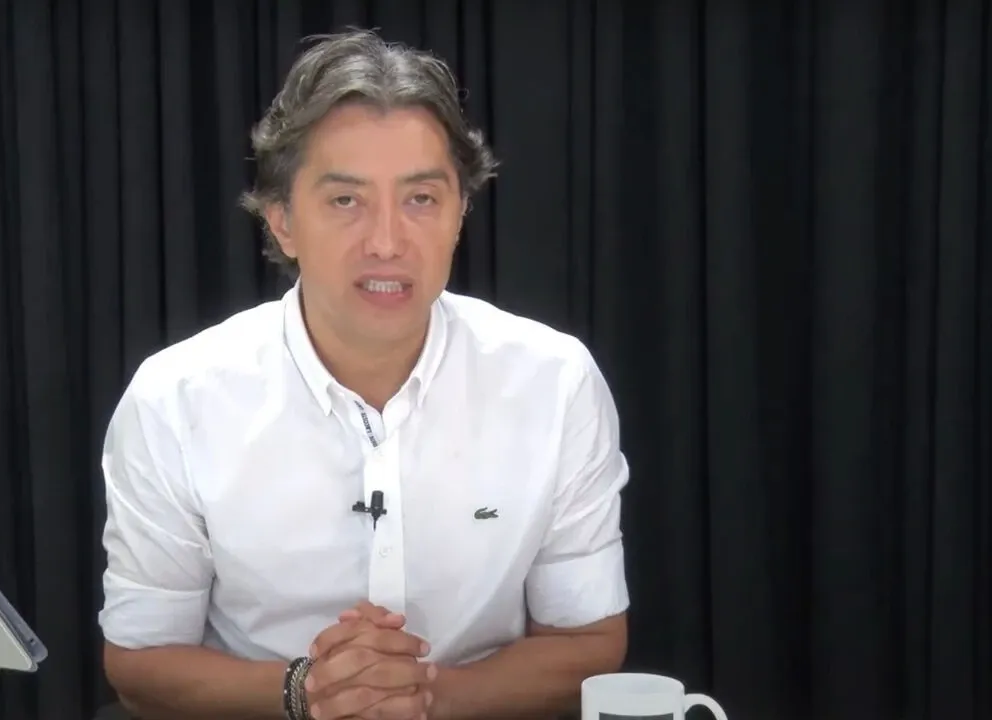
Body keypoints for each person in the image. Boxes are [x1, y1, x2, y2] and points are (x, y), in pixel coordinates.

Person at [97, 29, 630, 720]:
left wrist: (428, 697)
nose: (386, 242)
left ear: (460, 213)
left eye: (421, 199)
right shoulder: (175, 400)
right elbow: (139, 663)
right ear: (282, 221)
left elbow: (587, 641)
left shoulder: (555, 383)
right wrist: (307, 692)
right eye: (346, 201)